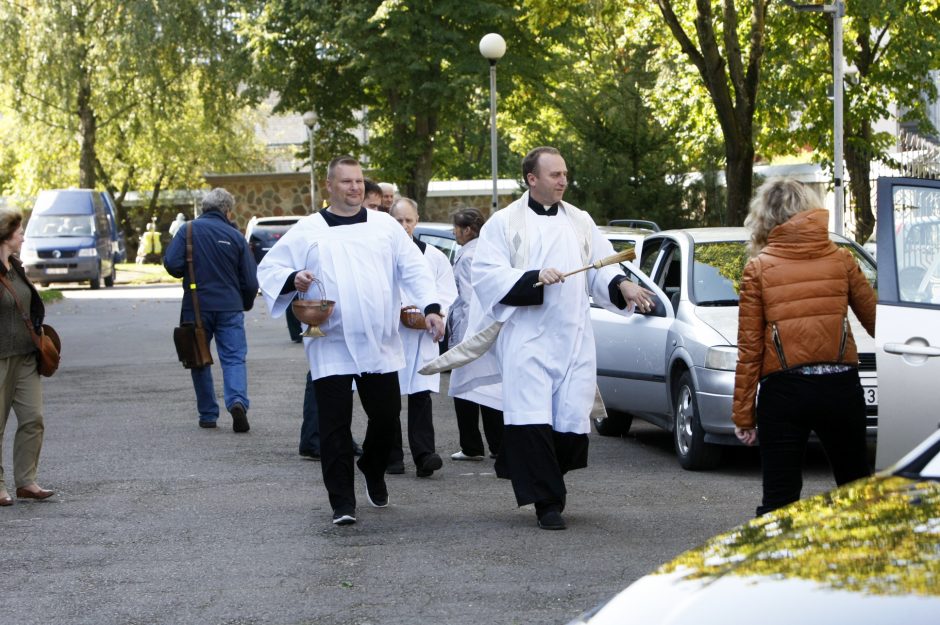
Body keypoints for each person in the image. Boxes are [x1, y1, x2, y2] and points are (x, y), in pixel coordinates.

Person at [464, 146, 654, 530]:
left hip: (573, 337)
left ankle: (540, 478)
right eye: (555, 175)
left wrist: (623, 286)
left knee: (569, 422)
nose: (563, 180)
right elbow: (486, 274)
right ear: (532, 179)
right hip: (527, 338)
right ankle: (547, 504)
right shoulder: (504, 223)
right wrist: (534, 276)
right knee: (532, 420)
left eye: (565, 174)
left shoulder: (579, 220)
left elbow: (602, 264)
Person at [257, 155, 445, 526]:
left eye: (359, 181)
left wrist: (433, 307)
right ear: (329, 186)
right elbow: (269, 267)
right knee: (334, 426)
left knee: (387, 417)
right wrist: (293, 277)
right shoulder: (309, 229)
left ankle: (372, 467)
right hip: (331, 343)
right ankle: (342, 501)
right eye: (346, 182)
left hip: (379, 341)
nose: (355, 188)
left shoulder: (385, 227)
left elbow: (414, 268)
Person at [732, 178, 876, 516]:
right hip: (841, 388)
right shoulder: (841, 260)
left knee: (780, 501)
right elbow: (879, 322)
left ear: (764, 217)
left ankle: (775, 565)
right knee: (857, 490)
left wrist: (743, 414)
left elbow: (750, 349)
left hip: (784, 394)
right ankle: (868, 560)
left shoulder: (758, 268)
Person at [164, 188, 258, 432]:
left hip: (196, 307)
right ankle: (237, 402)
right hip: (230, 307)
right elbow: (250, 281)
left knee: (198, 359)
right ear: (228, 211)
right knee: (234, 357)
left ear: (203, 208)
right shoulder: (236, 236)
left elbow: (172, 265)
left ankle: (208, 414)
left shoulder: (188, 230)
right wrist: (244, 303)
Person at [386, 197, 457, 477]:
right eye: (398, 220)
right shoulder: (381, 256)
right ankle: (391, 456)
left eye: (408, 220)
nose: (404, 226)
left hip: (422, 336)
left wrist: (437, 313)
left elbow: (447, 292)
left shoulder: (435, 257)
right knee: (388, 397)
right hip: (392, 335)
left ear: (417, 221)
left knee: (420, 395)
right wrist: (398, 311)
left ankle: (424, 454)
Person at [0, 208, 54, 505]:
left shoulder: (16, 266)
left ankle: (27, 481)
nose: (23, 236)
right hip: (0, 356)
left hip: (25, 356)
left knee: (33, 417)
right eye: (19, 231)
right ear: (6, 235)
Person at [447, 207, 503, 462]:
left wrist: (467, 338)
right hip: (485, 330)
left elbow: (469, 299)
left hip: (471, 331)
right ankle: (497, 444)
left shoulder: (469, 255)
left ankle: (471, 445)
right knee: (487, 385)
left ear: (467, 229)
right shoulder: (485, 250)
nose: (454, 233)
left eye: (456, 228)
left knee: (463, 388)